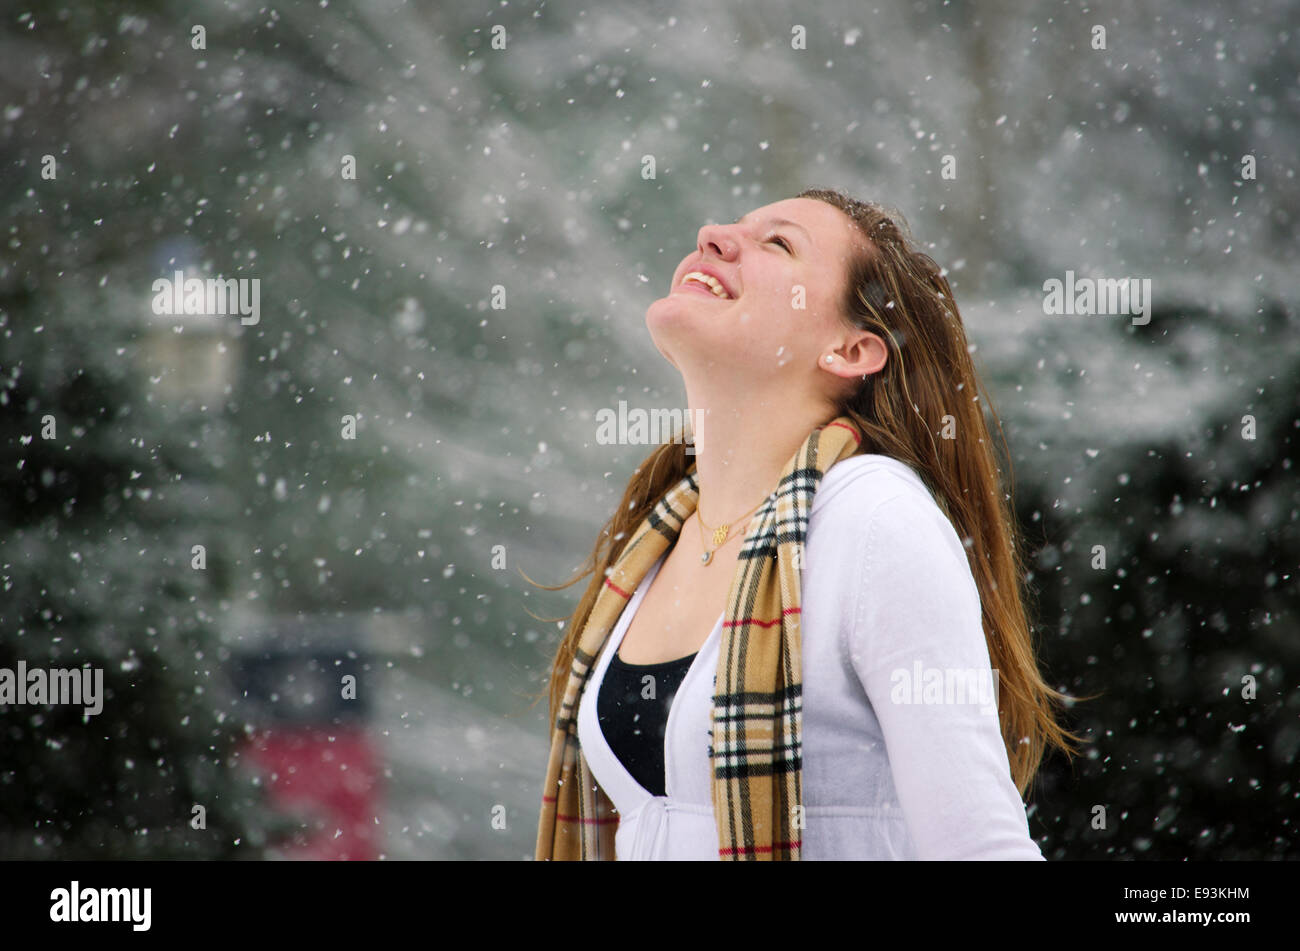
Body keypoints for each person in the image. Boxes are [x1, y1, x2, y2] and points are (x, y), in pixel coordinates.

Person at [530, 187, 1084, 860]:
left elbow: (980, 848)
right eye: (731, 225)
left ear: (851, 351)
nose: (712, 233)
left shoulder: (876, 522)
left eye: (778, 244)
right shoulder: (656, 539)